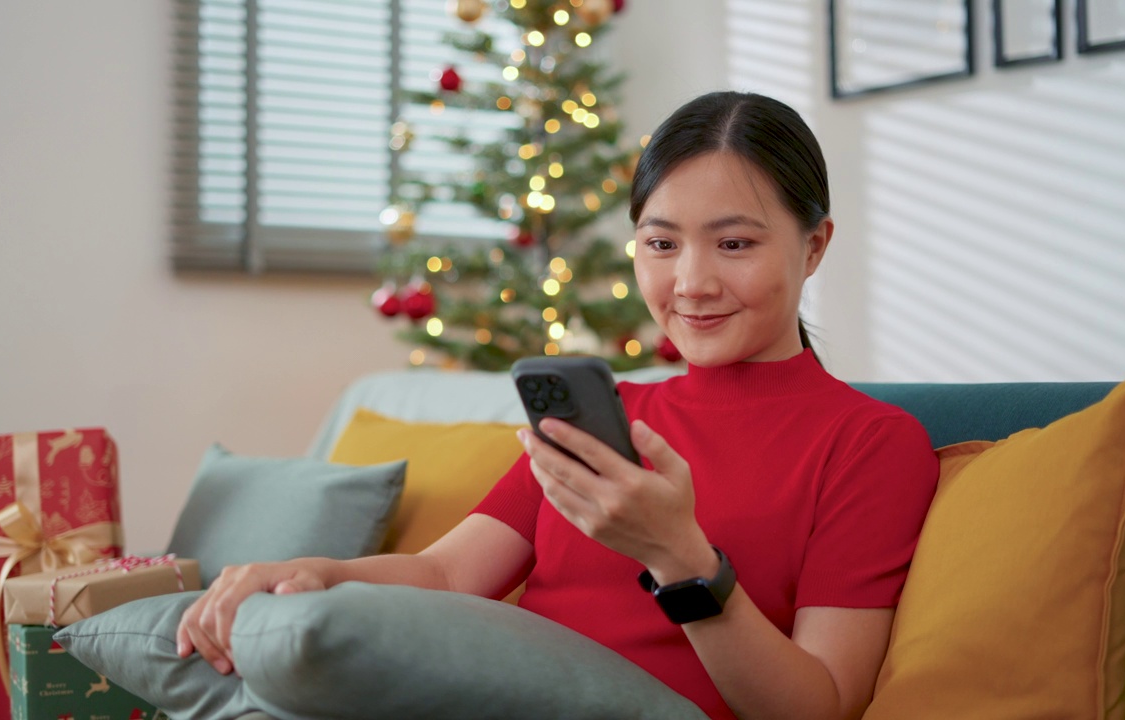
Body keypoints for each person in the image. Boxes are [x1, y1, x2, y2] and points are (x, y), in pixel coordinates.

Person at [177, 91, 939, 720]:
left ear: (813, 247)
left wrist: (680, 560)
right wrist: (304, 572)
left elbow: (822, 706)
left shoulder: (870, 443)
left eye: (734, 244)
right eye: (661, 243)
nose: (692, 283)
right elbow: (446, 578)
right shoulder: (607, 414)